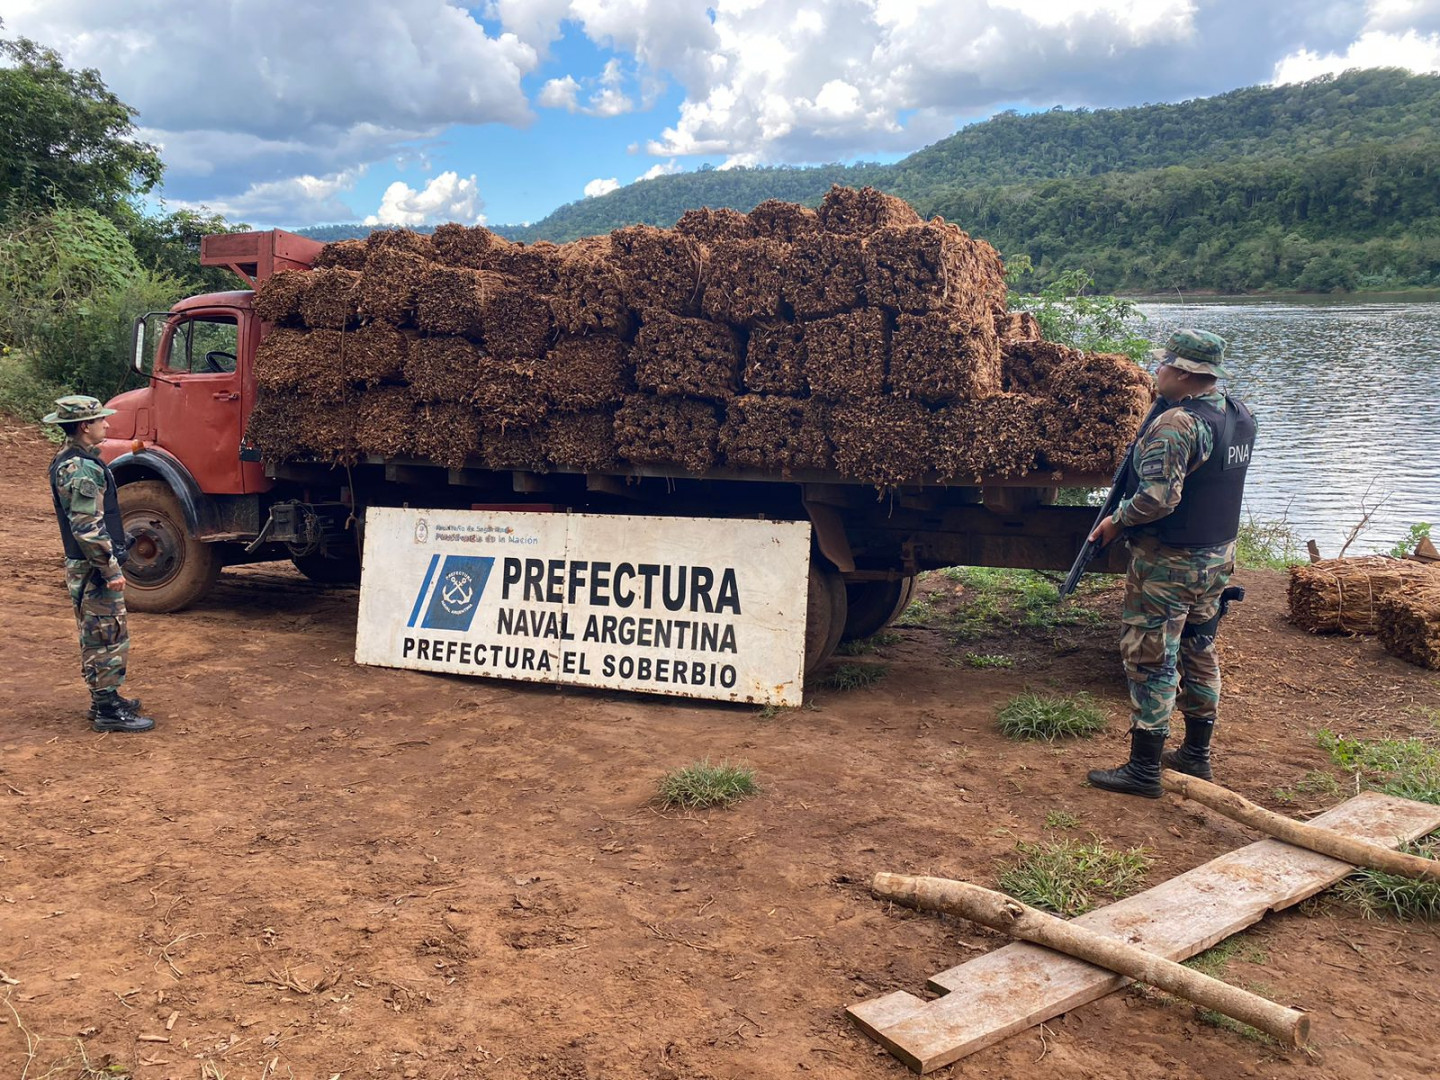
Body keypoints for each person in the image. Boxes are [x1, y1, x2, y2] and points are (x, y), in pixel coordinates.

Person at [1085, 329, 1255, 797]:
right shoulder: (1240, 415)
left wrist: (1116, 522)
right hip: (1218, 559)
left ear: (1183, 373)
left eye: (1162, 365)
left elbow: (1159, 498)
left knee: (1151, 658)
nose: (1156, 372)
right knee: (1200, 650)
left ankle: (1144, 770)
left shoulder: (1178, 423)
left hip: (1170, 563)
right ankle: (1196, 757)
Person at [44, 395, 155, 733]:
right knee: (105, 635)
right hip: (93, 569)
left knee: (103, 632)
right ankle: (107, 710)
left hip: (89, 566)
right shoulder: (80, 468)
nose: (106, 424)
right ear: (84, 426)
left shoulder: (75, 460)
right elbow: (87, 528)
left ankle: (107, 698)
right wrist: (109, 569)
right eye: (100, 420)